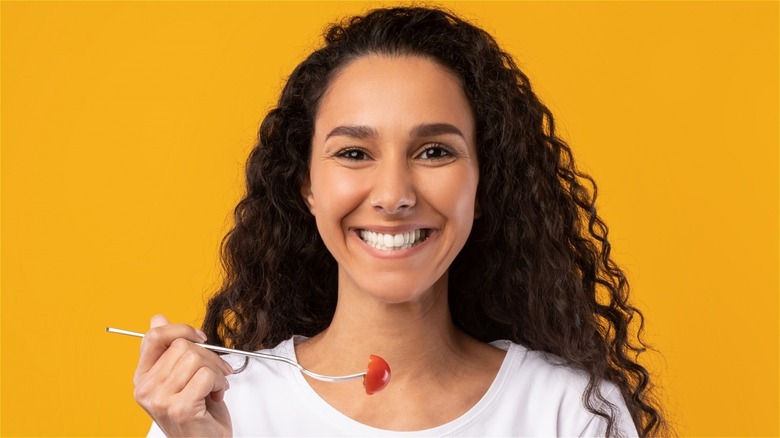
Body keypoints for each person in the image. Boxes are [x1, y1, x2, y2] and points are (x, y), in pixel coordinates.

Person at [132, 6, 665, 437]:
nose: (393, 196)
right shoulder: (214, 409)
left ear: (483, 185)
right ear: (308, 188)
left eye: (434, 152)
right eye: (354, 153)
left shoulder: (569, 412)